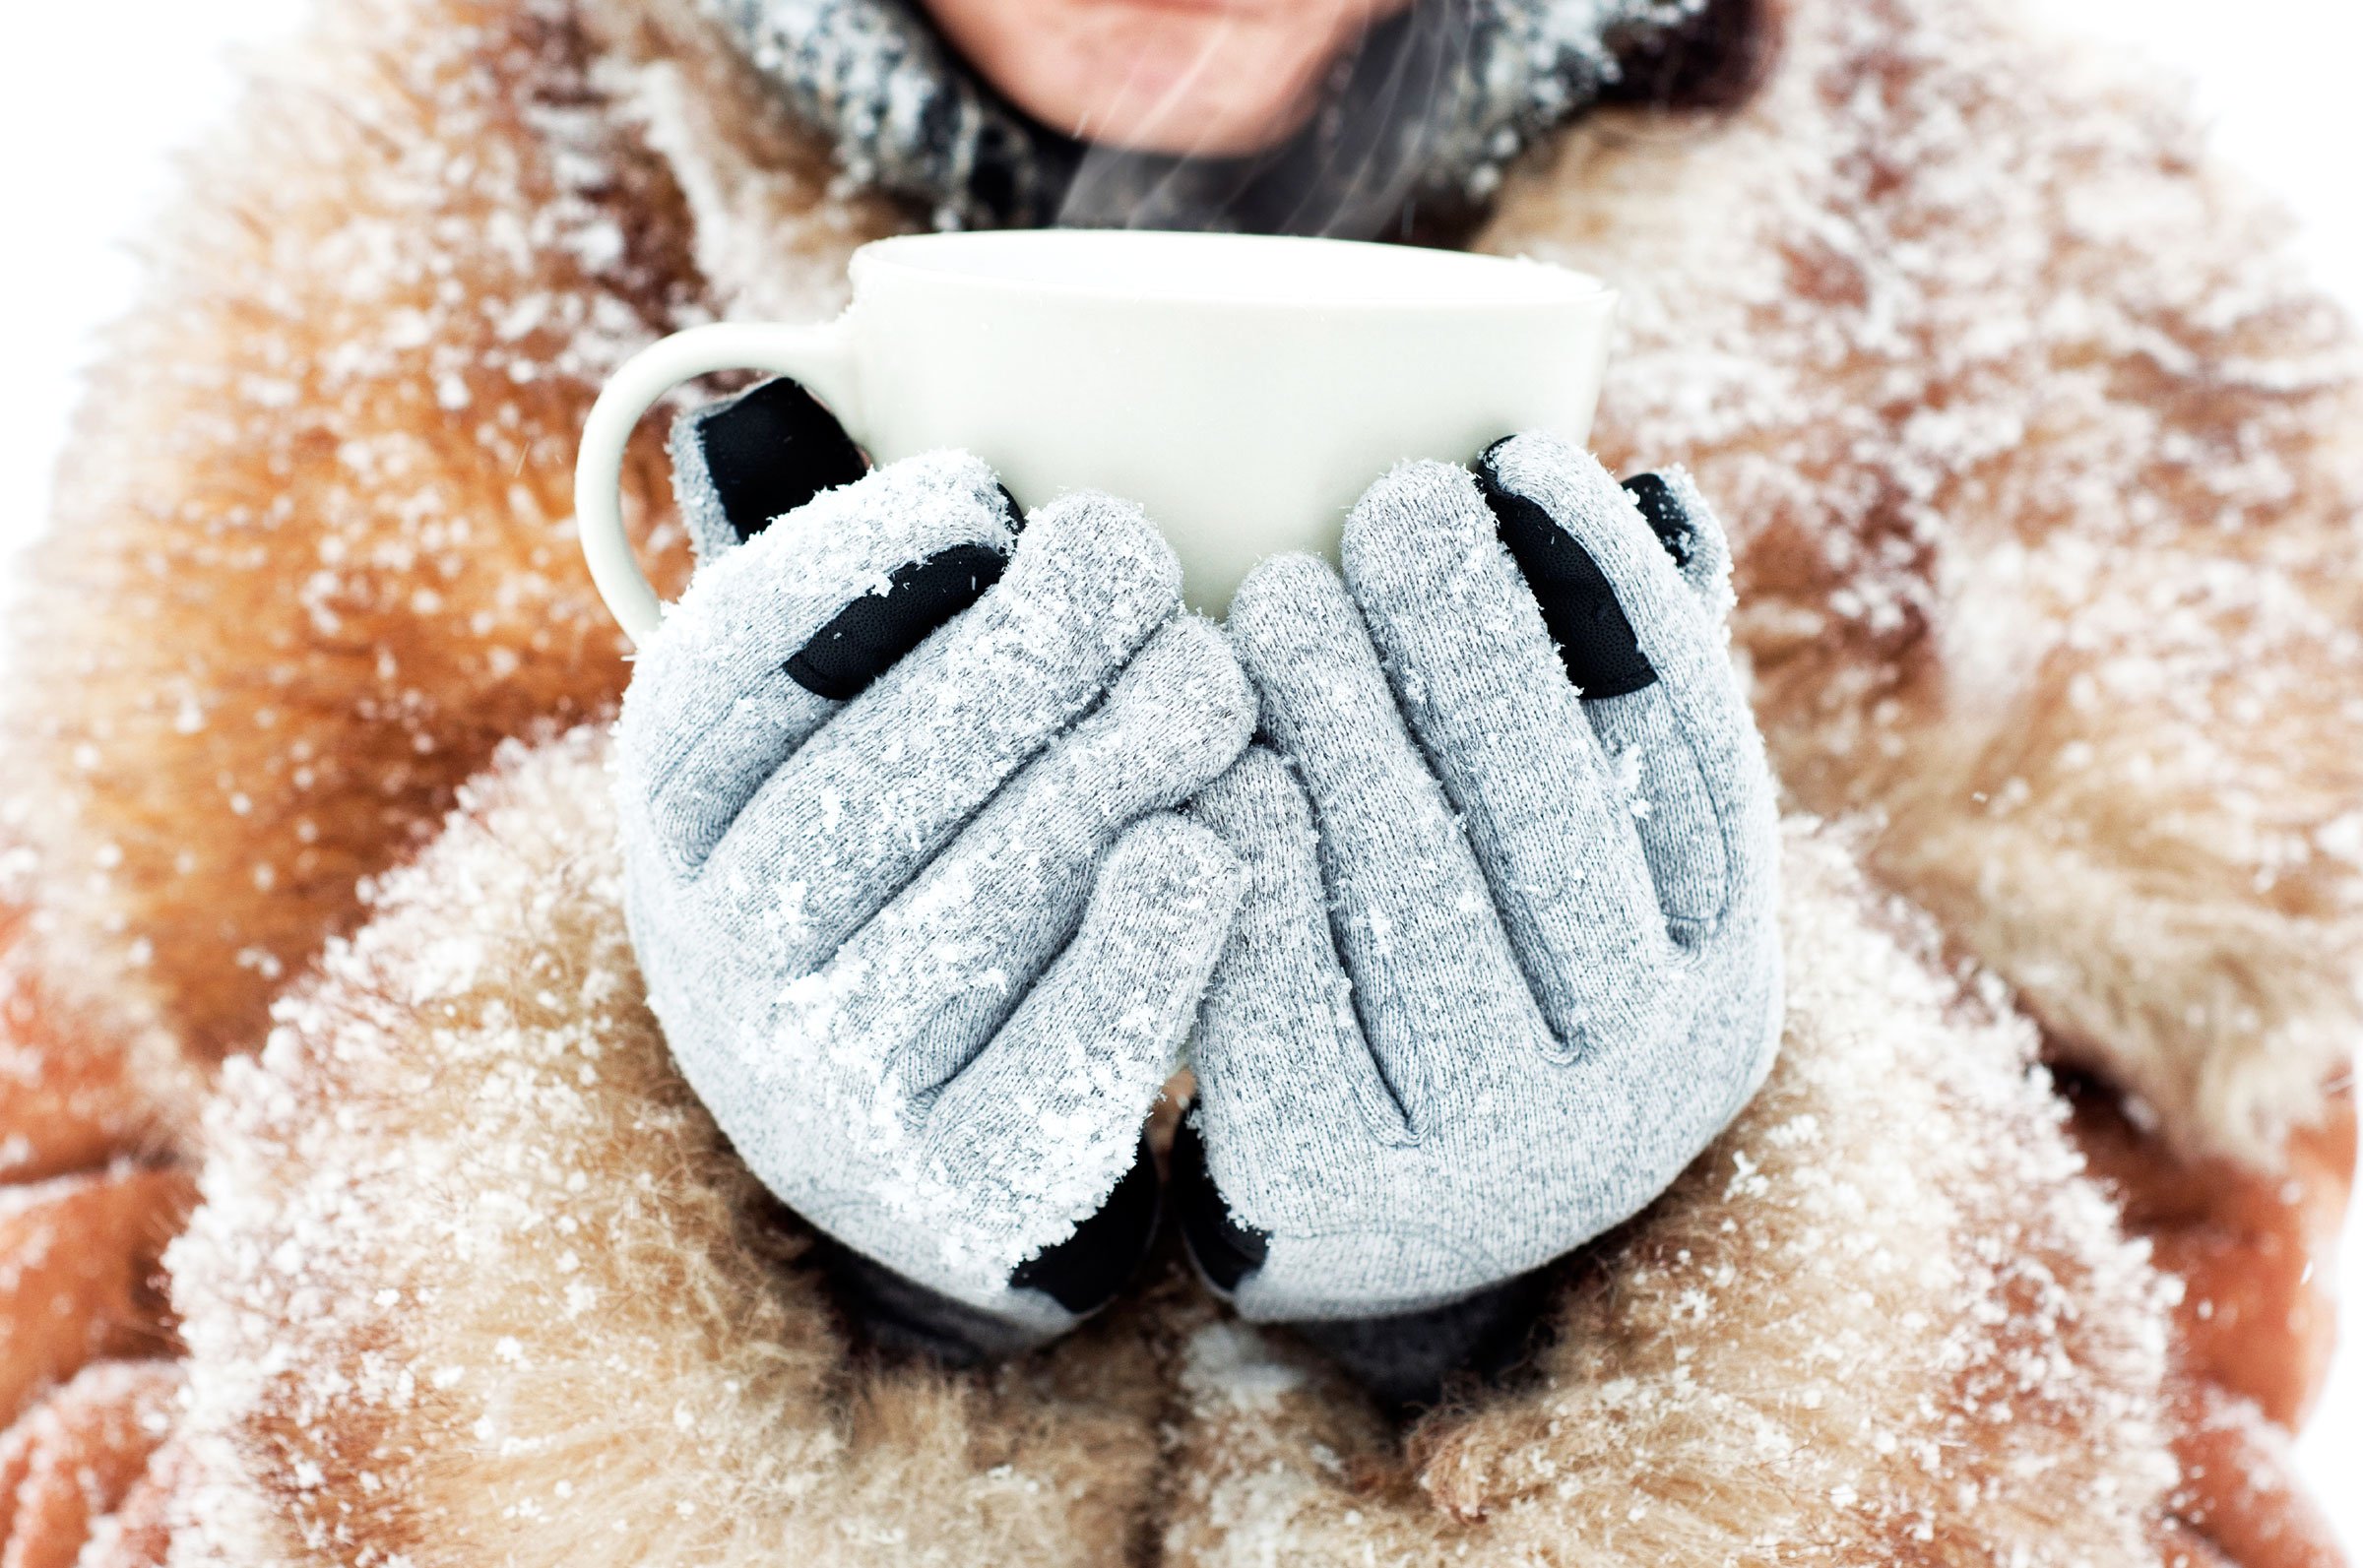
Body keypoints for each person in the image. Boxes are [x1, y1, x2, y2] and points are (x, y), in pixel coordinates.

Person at [0, 0, 2352, 1563]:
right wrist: (715, 1285)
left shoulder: (2088, 417)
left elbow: (2219, 1498)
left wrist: (1625, 1327)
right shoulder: (303, 404)